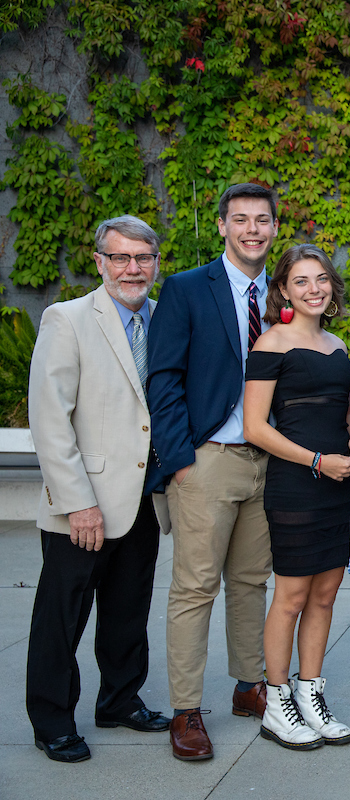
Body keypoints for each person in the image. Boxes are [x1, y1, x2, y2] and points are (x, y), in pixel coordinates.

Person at [25, 216, 172, 763]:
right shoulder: (66, 319)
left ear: (156, 263)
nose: (132, 268)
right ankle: (52, 721)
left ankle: (120, 700)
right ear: (100, 262)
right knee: (62, 616)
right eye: (120, 257)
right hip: (83, 503)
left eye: (143, 258)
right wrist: (77, 502)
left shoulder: (163, 318)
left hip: (144, 498)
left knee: (128, 609)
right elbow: (50, 420)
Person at [147, 183, 279, 761]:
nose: (252, 230)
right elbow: (164, 380)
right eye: (240, 219)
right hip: (207, 461)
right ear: (223, 226)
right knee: (195, 587)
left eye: (262, 220)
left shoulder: (283, 291)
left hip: (268, 462)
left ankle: (249, 686)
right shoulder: (185, 289)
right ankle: (186, 709)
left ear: (275, 228)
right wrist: (180, 462)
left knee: (251, 581)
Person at [242, 244, 350, 749]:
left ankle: (311, 695)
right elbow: (254, 427)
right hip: (296, 485)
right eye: (301, 281)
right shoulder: (271, 343)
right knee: (291, 597)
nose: (314, 289)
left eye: (321, 279)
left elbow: (339, 407)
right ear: (284, 291)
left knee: (325, 596)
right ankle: (277, 703)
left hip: (338, 483)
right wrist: (316, 461)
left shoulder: (337, 343)